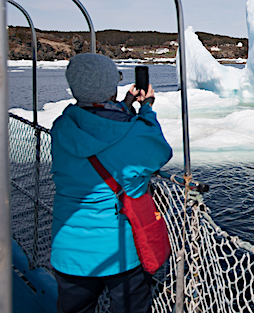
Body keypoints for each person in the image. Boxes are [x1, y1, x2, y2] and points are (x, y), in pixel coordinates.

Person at [50, 53, 172, 313]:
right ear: (109, 86)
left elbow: (97, 126)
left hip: (69, 249)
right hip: (119, 250)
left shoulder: (62, 127)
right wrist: (146, 109)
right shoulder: (133, 130)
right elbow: (158, 152)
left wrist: (124, 105)